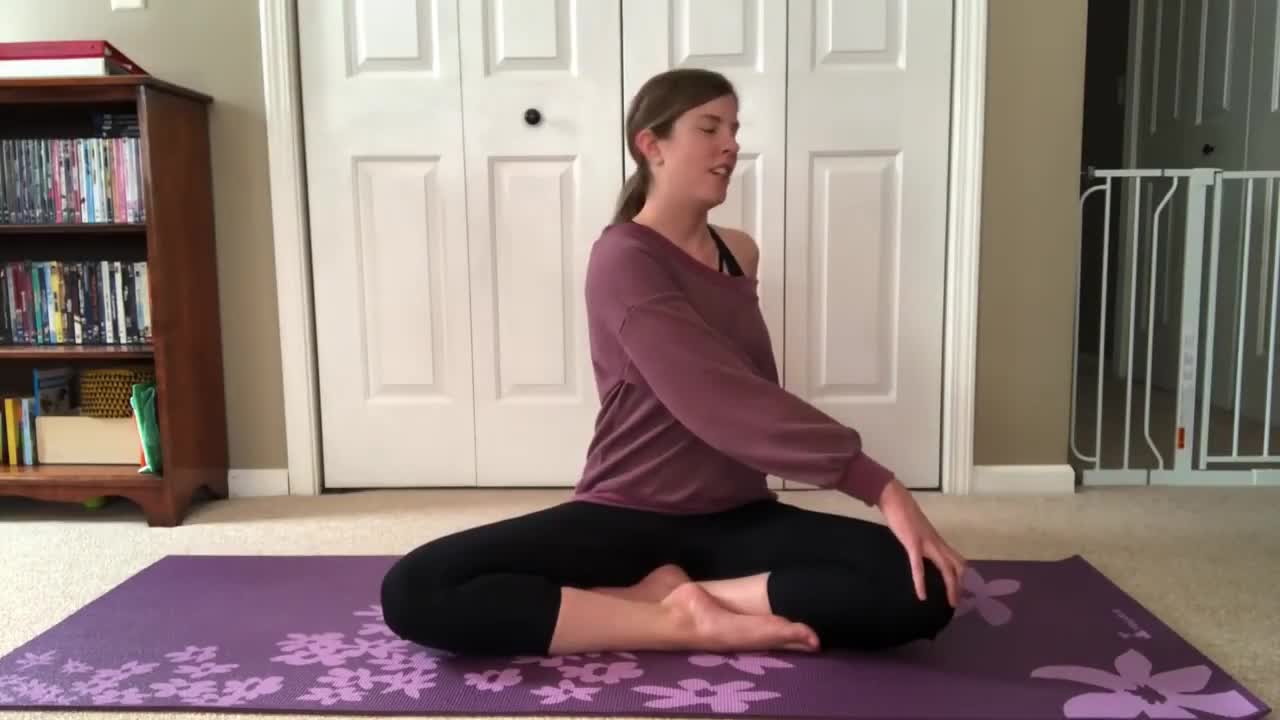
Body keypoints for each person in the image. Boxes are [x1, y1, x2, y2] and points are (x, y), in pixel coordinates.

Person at [380, 68, 967, 658]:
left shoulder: (738, 253)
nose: (730, 144)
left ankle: (680, 598)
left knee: (924, 585)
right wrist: (878, 484)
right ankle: (679, 624)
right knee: (420, 588)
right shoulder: (622, 257)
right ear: (651, 145)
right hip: (626, 514)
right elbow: (713, 396)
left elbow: (744, 387)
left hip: (737, 516)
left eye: (734, 129)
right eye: (709, 128)